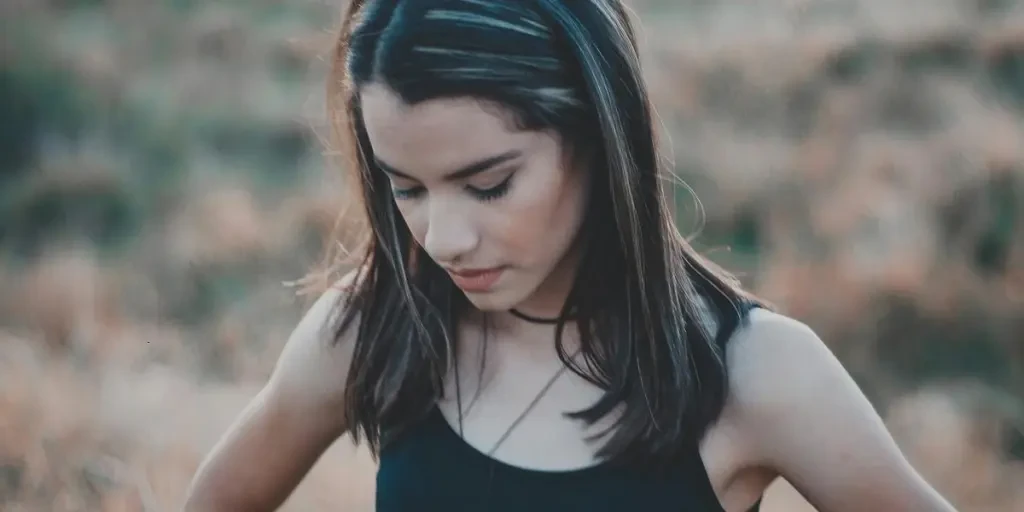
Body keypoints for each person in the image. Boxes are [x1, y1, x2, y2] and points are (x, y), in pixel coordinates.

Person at [183, 1, 959, 511]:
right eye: (405, 188)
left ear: (600, 136)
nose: (444, 238)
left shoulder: (756, 373)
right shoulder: (370, 332)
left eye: (488, 185)